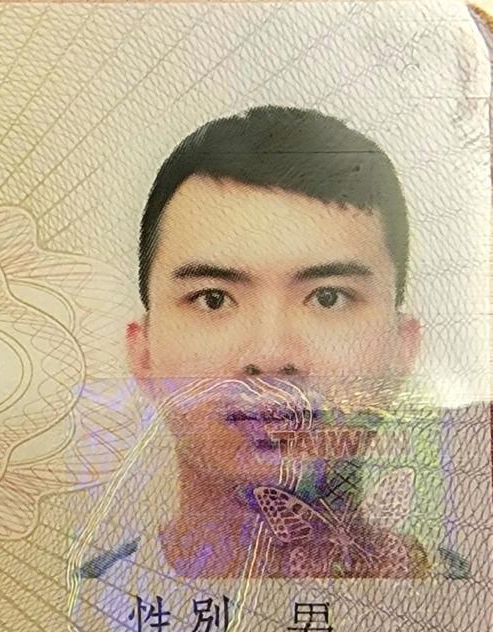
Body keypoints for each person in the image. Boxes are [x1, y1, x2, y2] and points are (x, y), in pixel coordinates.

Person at [82, 104, 464, 580]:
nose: (270, 355)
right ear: (143, 354)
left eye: (328, 297)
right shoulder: (76, 611)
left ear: (402, 351)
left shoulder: (470, 608)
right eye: (214, 299)